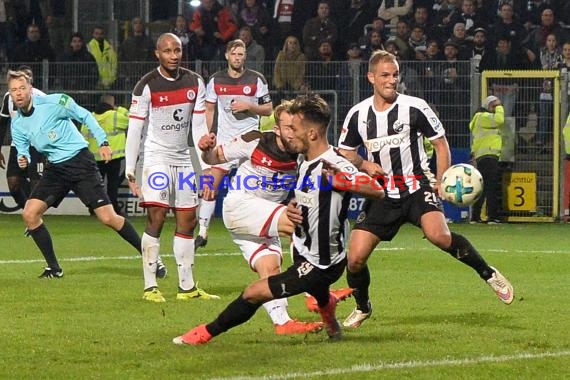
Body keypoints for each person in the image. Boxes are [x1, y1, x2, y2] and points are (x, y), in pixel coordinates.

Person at [172, 93, 385, 346]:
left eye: (294, 129)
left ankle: (203, 334)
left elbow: (376, 189)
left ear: (312, 134)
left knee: (253, 293)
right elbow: (307, 196)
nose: (289, 134)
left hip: (320, 265)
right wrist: (295, 205)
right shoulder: (305, 160)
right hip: (304, 250)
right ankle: (330, 319)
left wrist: (344, 181)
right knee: (317, 294)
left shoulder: (333, 163)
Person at [336, 50, 514, 329]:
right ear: (371, 77)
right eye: (385, 75)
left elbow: (441, 144)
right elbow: (345, 152)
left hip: (417, 186)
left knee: (439, 236)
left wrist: (441, 181)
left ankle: (488, 272)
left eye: (395, 74)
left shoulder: (414, 107)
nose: (392, 80)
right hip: (381, 194)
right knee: (355, 258)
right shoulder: (358, 114)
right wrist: (365, 165)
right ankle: (363, 306)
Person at [194, 100, 324, 335]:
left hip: (263, 217)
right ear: (276, 129)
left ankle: (282, 322)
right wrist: (206, 149)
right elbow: (213, 159)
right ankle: (314, 293)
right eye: (288, 127)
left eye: (296, 126)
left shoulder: (303, 151)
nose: (293, 132)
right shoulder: (254, 140)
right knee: (300, 224)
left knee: (271, 268)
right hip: (240, 206)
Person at [7, 69, 142, 279]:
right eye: (14, 90)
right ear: (10, 94)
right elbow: (23, 150)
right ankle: (54, 268)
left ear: (31, 89)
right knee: (30, 214)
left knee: (108, 217)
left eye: (22, 88)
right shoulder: (17, 123)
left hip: (80, 162)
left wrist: (103, 142)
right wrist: (22, 158)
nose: (19, 93)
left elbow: (85, 115)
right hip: (56, 169)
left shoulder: (55, 102)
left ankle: (150, 256)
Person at [124, 33, 218, 303]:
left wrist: (206, 166)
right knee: (157, 216)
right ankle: (150, 286)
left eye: (177, 50)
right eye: (168, 51)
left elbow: (199, 127)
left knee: (188, 220)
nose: (174, 55)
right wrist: (131, 169)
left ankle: (186, 288)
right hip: (156, 157)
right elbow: (135, 130)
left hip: (183, 158)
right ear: (158, 54)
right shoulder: (146, 86)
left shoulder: (195, 82)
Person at [197, 39, 273, 250]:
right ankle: (202, 231)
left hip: (250, 141)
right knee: (211, 186)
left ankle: (255, 229)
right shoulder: (215, 80)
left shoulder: (256, 79)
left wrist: (249, 105)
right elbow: (210, 109)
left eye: (241, 54)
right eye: (234, 54)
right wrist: (211, 133)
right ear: (227, 56)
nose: (237, 58)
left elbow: (268, 109)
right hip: (224, 140)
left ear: (245, 56)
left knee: (250, 190)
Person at [0, 66, 46, 210]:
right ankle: (30, 212)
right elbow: (2, 124)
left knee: (35, 184)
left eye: (27, 77)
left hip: (37, 145)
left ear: (30, 81)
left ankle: (33, 216)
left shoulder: (41, 98)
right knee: (13, 183)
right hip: (18, 145)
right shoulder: (9, 97)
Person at [81, 95, 128, 216]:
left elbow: (83, 135)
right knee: (113, 185)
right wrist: (120, 109)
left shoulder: (90, 117)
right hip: (113, 157)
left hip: (94, 157)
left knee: (96, 185)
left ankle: (94, 209)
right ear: (112, 105)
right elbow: (131, 120)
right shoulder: (115, 115)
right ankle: (114, 209)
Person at [469, 95, 505, 224]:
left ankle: (475, 216)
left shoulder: (479, 118)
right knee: (491, 186)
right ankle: (493, 216)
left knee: (482, 187)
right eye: (495, 106)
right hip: (489, 155)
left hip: (482, 155)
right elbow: (500, 120)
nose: (497, 108)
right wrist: (499, 107)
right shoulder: (483, 117)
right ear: (490, 106)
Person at [87, 25, 118, 90]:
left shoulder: (109, 48)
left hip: (109, 83)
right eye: (96, 34)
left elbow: (114, 64)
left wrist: (112, 79)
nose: (99, 36)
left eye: (101, 34)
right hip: (94, 83)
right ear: (93, 34)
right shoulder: (89, 48)